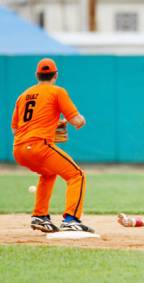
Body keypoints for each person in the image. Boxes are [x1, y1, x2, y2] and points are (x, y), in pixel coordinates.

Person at [11, 58, 94, 233]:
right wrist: (81, 120)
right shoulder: (57, 91)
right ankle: (71, 219)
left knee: (48, 173)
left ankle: (40, 216)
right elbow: (77, 122)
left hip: (19, 149)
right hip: (40, 146)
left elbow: (15, 129)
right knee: (76, 175)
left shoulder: (23, 95)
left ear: (37, 75)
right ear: (56, 75)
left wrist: (51, 125)